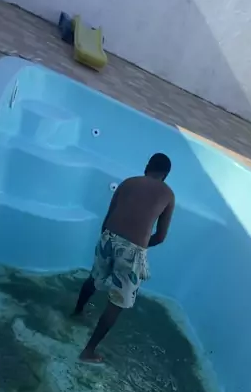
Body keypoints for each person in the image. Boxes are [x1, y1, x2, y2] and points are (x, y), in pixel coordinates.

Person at [73, 153, 175, 362]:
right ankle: (88, 351)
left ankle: (76, 313)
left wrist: (112, 239)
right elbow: (160, 237)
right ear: (165, 175)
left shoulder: (128, 182)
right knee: (118, 302)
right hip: (133, 250)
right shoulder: (168, 194)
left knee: (94, 277)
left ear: (147, 166)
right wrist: (138, 246)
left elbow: (107, 219)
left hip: (108, 237)